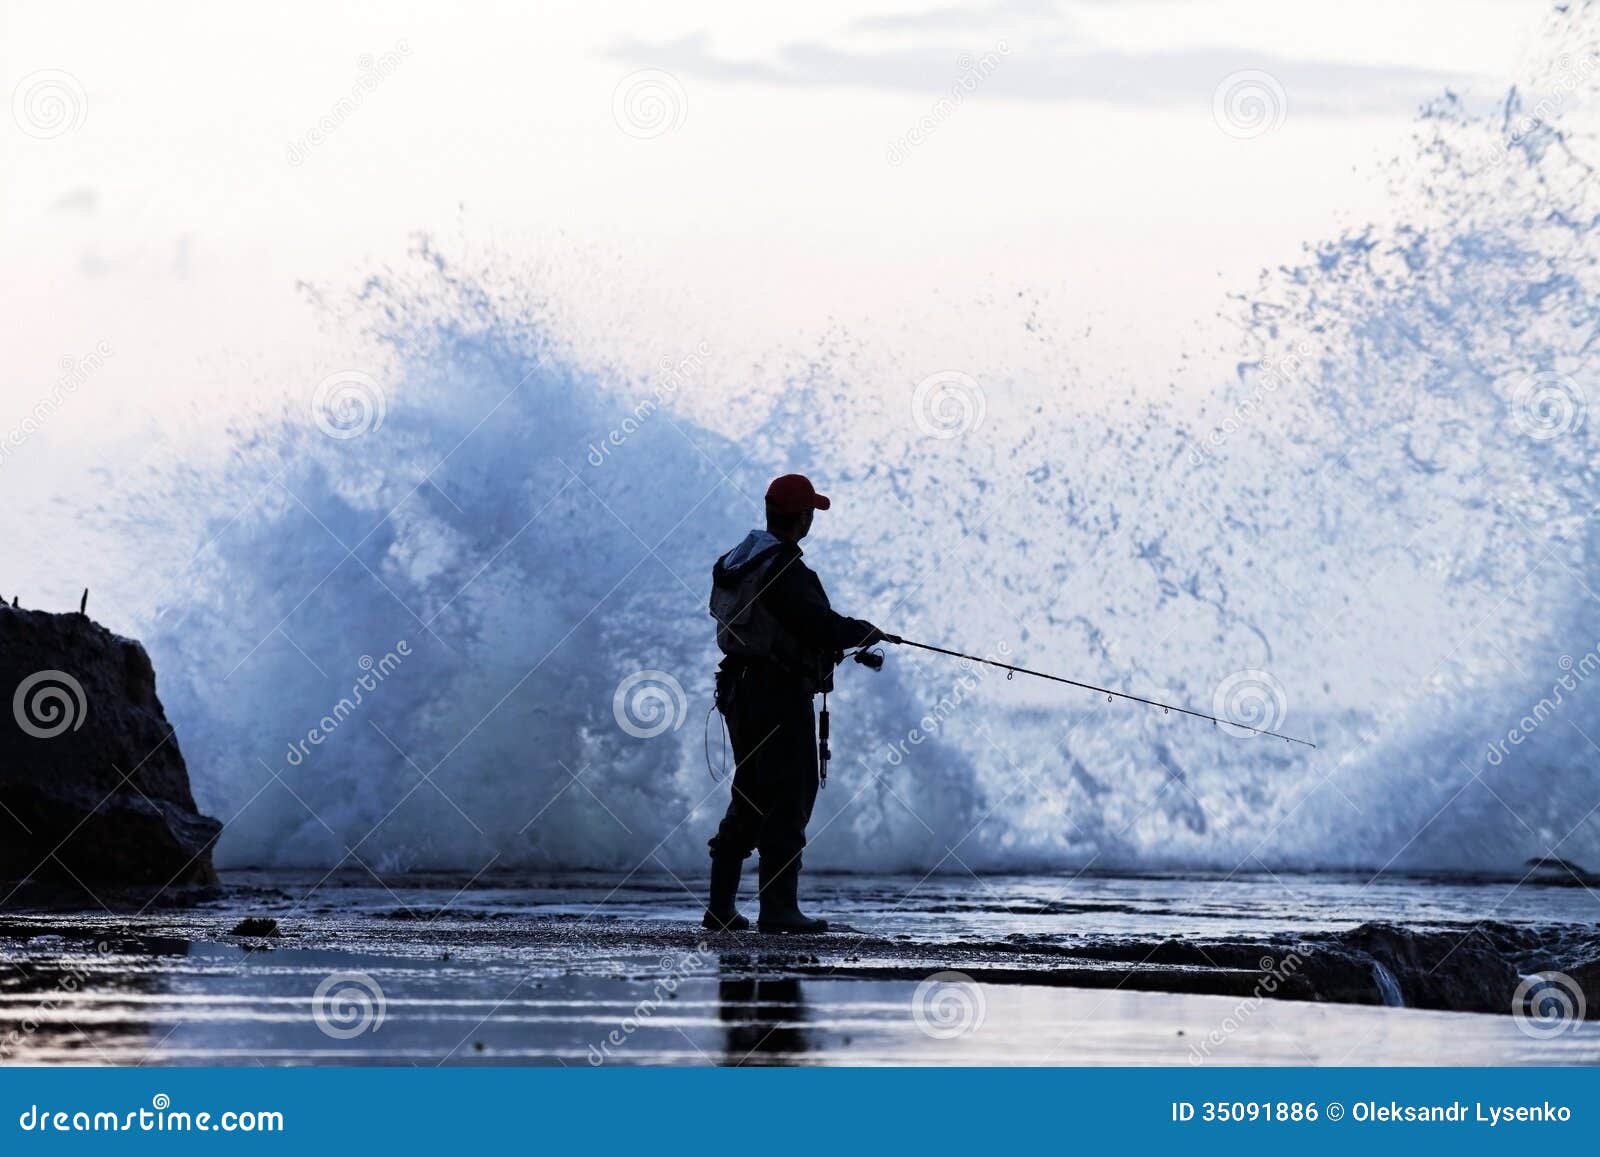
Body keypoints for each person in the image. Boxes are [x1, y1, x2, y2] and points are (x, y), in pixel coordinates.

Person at [704, 474, 886, 933]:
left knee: (750, 794)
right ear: (801, 517)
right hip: (776, 695)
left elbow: (790, 623)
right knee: (788, 797)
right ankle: (779, 910)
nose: (811, 521)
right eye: (810, 513)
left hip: (739, 691)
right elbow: (814, 624)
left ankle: (720, 907)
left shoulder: (736, 561)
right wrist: (860, 630)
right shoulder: (784, 567)